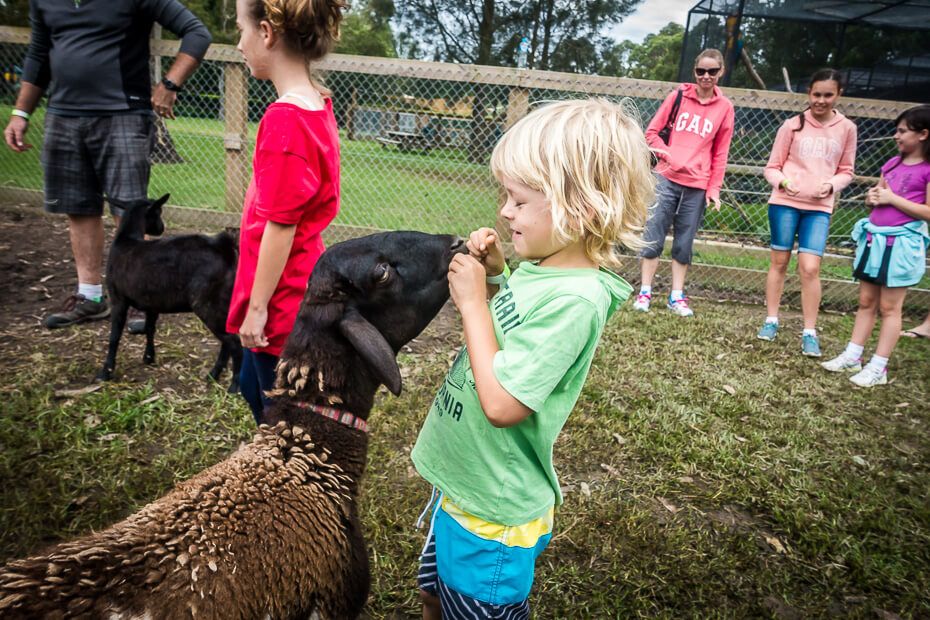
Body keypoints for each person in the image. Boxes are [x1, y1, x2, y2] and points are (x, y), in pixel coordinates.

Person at [411, 99, 654, 619]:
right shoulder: (545, 271)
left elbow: (502, 404)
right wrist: (499, 274)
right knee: (434, 595)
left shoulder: (576, 300)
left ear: (581, 209)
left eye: (519, 201)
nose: (504, 211)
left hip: (493, 517)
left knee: (469, 605)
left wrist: (473, 302)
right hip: (465, 489)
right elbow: (515, 326)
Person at [3, 0, 211, 329]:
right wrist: (21, 113)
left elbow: (197, 33)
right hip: (63, 116)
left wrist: (170, 84)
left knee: (128, 211)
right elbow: (39, 53)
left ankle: (140, 298)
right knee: (79, 207)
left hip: (124, 114)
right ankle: (90, 297)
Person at [226, 0, 345, 424]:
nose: (238, 44)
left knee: (274, 411)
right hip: (297, 282)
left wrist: (257, 309)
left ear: (267, 33)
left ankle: (284, 479)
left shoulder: (285, 120)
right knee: (249, 383)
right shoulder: (317, 103)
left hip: (281, 301)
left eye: (241, 30)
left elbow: (282, 223)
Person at [821, 105, 930, 387]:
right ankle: (853, 355)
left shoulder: (927, 171)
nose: (896, 136)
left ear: (923, 134)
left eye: (902, 131)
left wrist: (892, 199)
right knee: (866, 301)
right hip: (875, 241)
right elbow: (879, 196)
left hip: (901, 245)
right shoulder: (891, 165)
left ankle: (879, 367)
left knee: (890, 307)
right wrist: (872, 198)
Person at [756, 69, 858, 357]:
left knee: (810, 268)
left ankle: (809, 331)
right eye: (816, 94)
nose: (821, 101)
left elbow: (847, 171)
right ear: (809, 94)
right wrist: (784, 183)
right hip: (785, 203)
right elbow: (772, 167)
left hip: (819, 208)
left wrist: (831, 185)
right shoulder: (792, 125)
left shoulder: (847, 128)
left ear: (838, 95)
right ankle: (771, 320)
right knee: (779, 262)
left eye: (828, 95)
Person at [633, 49, 735, 317]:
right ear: (695, 71)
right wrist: (668, 154)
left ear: (720, 72)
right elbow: (651, 133)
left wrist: (714, 188)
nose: (706, 76)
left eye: (712, 71)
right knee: (653, 235)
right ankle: (645, 291)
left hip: (697, 184)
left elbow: (720, 152)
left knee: (683, 242)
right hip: (667, 178)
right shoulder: (677, 97)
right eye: (701, 71)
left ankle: (676, 296)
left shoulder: (724, 108)